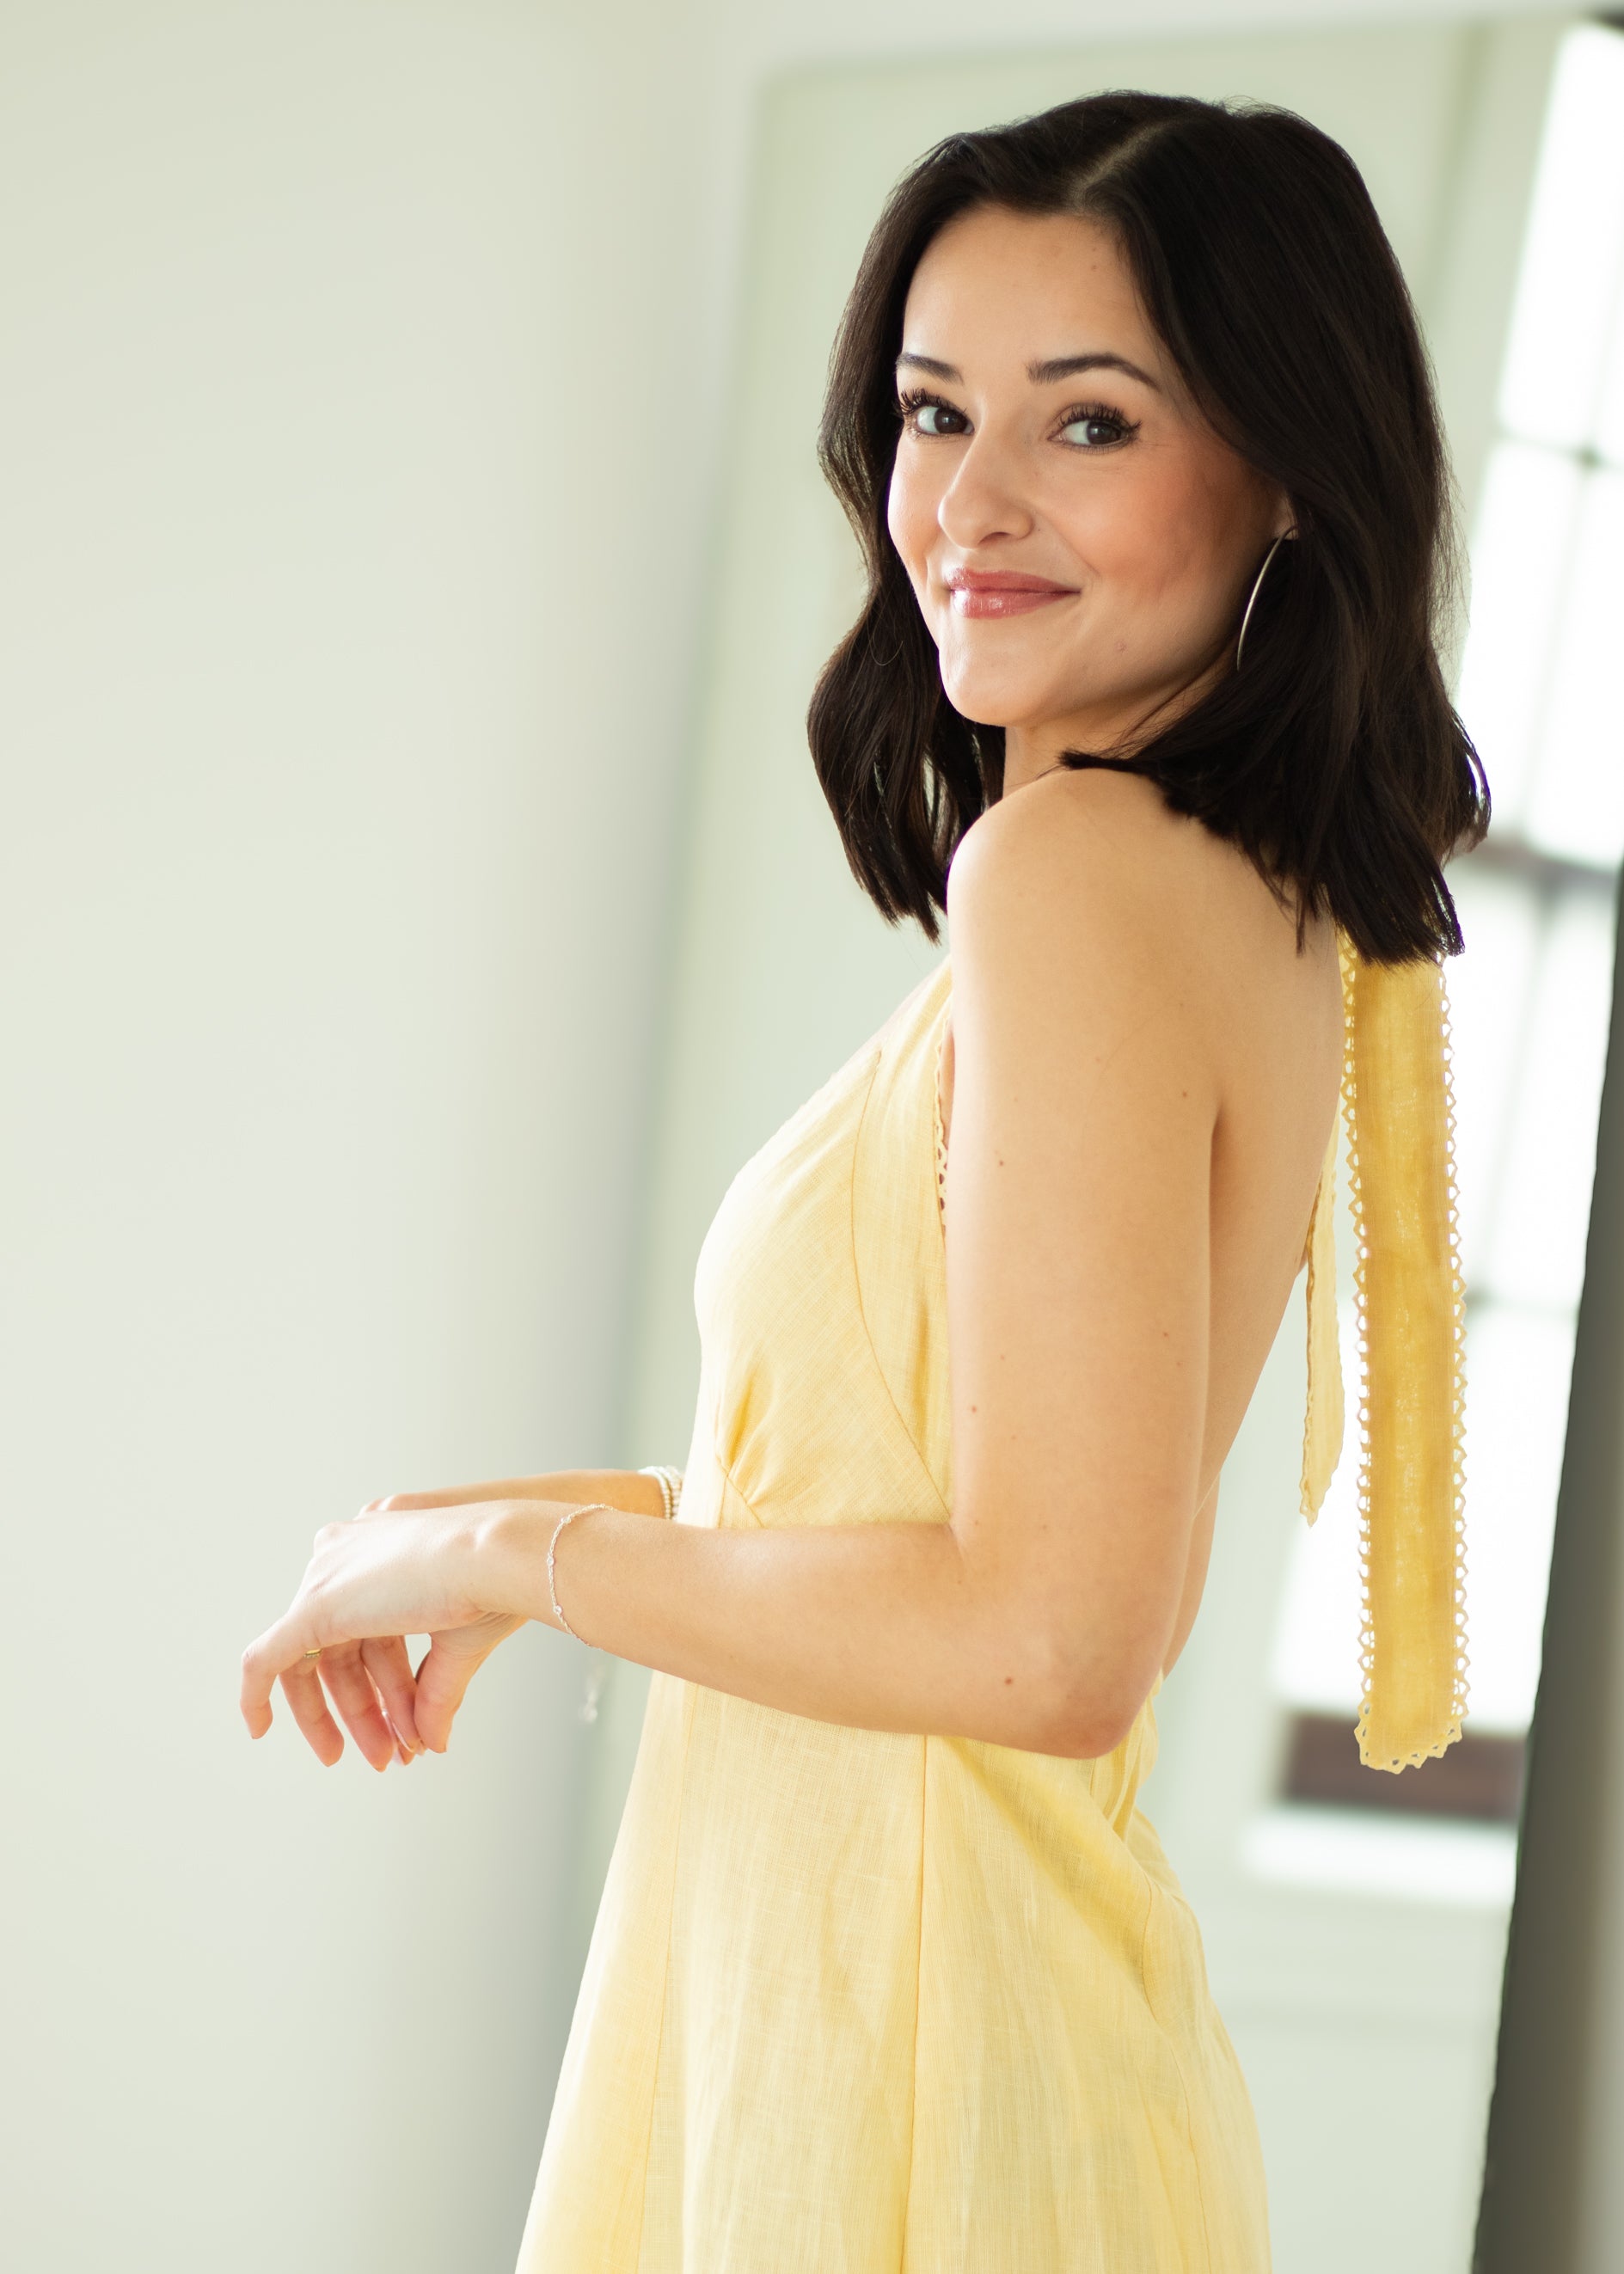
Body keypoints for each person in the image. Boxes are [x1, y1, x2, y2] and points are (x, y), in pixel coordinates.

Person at [241, 91, 1486, 2271]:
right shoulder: (1229, 896)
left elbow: (1050, 1639)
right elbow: (953, 1532)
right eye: (933, 412)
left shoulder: (1076, 876)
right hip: (899, 2027)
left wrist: (518, 1557)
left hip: (914, 2074)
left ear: (1282, 467)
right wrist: (471, 1547)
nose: (970, 504)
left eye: (1088, 425)